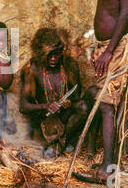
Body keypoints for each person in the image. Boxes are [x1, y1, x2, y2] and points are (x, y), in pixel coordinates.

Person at [76, 0, 128, 184]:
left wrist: (110, 51)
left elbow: (127, 13)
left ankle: (108, 170)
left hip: (117, 47)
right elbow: (105, 11)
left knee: (106, 106)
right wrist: (97, 48)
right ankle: (105, 164)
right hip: (104, 47)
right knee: (102, 103)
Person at [20, 28, 88, 158]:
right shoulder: (32, 69)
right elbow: (23, 106)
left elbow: (77, 97)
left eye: (57, 54)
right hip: (44, 119)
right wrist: (45, 106)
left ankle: (58, 146)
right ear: (41, 53)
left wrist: (65, 103)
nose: (53, 58)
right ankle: (56, 145)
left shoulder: (70, 65)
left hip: (64, 116)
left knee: (83, 106)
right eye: (49, 55)